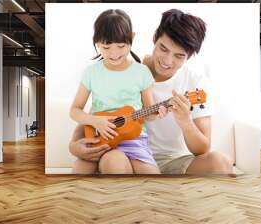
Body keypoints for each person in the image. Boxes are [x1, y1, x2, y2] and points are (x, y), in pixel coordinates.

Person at [70, 9, 233, 175]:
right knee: (113, 160)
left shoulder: (196, 83)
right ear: (155, 37)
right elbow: (99, 112)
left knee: (220, 163)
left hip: (170, 160)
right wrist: (74, 145)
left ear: (189, 56)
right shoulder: (124, 66)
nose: (167, 61)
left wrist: (185, 121)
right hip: (118, 152)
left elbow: (202, 149)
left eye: (179, 56)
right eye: (163, 48)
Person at [69, 9, 167, 174]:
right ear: (97, 42)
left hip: (134, 140)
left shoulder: (142, 72)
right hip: (98, 137)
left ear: (132, 37)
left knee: (153, 180)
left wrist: (157, 113)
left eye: (121, 46)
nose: (114, 54)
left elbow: (149, 113)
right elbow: (74, 110)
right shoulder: (91, 72)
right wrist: (95, 121)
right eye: (106, 47)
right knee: (79, 172)